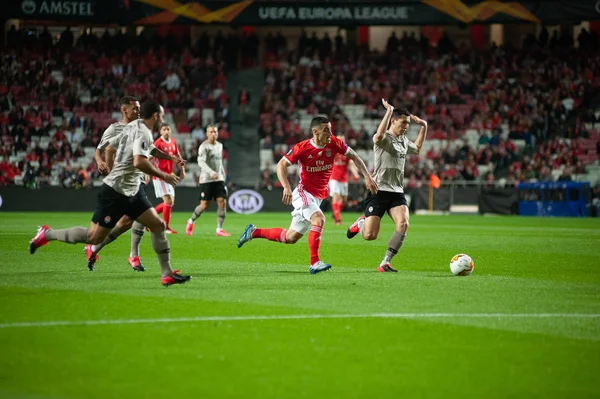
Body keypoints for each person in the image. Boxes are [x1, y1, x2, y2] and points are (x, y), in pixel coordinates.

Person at [29, 101, 191, 286]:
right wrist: (164, 175)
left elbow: (140, 149)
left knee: (157, 225)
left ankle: (166, 273)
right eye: (162, 114)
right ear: (155, 115)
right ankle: (47, 234)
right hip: (117, 191)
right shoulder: (142, 131)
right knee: (93, 236)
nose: (163, 117)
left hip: (132, 190)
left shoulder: (134, 126)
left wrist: (170, 157)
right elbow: (138, 161)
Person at [237, 116, 377, 274]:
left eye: (330, 130)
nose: (330, 134)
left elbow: (354, 156)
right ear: (315, 132)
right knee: (319, 219)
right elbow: (281, 165)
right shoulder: (302, 148)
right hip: (304, 192)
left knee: (290, 237)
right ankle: (314, 262)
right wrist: (286, 187)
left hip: (318, 196)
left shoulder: (334, 143)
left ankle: (254, 232)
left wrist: (367, 176)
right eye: (326, 130)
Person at [347, 99, 428, 272]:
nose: (406, 126)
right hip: (378, 191)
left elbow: (418, 148)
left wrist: (424, 126)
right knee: (370, 235)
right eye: (403, 122)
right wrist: (388, 111)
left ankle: (385, 262)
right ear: (393, 121)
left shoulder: (404, 141)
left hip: (397, 192)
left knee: (404, 224)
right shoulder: (383, 139)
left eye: (408, 123)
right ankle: (361, 223)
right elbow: (378, 135)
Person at [185, 125, 230, 237]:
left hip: (219, 179)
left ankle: (219, 229)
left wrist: (223, 178)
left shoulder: (220, 145)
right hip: (207, 179)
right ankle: (191, 221)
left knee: (222, 202)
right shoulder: (204, 147)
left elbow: (220, 164)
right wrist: (211, 173)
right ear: (207, 134)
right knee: (204, 205)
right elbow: (201, 162)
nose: (213, 134)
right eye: (211, 132)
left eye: (215, 131)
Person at [150, 123, 184, 234]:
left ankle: (147, 220)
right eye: (164, 129)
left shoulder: (173, 141)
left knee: (170, 202)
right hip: (159, 175)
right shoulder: (158, 143)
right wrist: (147, 174)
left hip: (169, 175)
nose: (166, 131)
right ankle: (165, 227)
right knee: (168, 201)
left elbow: (178, 155)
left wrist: (182, 170)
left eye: (168, 129)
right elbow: (149, 157)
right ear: (160, 131)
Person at [329, 134, 360, 225]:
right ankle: (338, 219)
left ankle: (336, 213)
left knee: (343, 200)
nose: (341, 141)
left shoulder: (346, 152)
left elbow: (351, 164)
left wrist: (355, 173)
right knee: (336, 196)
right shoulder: (332, 151)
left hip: (343, 179)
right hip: (334, 178)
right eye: (339, 140)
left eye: (343, 139)